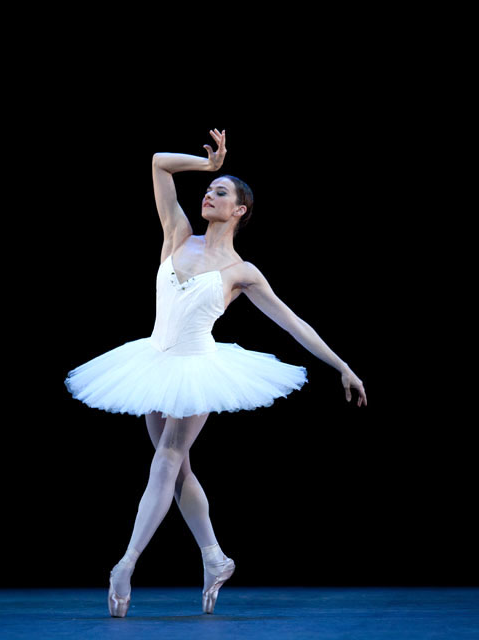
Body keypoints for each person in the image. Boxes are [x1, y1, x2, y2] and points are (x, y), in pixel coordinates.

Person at [64, 129, 367, 618]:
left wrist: (342, 365)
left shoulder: (241, 271)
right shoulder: (177, 234)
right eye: (209, 188)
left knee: (167, 457)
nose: (209, 193)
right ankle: (215, 557)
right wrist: (205, 165)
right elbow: (160, 163)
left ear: (240, 210)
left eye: (220, 191)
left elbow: (294, 323)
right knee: (176, 466)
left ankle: (126, 563)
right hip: (153, 363)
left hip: (197, 368)